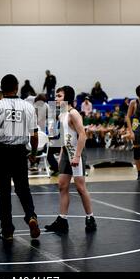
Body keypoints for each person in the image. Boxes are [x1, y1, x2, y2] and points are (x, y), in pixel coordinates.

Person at [0, 74, 41, 242]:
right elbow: (34, 136)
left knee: (3, 193)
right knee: (23, 189)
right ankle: (31, 216)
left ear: (1, 88)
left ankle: (7, 231)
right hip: (19, 152)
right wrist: (33, 154)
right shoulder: (27, 107)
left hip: (2, 153)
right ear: (17, 87)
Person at [44, 86, 97, 234]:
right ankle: (62, 220)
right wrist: (62, 153)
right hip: (67, 153)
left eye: (59, 96)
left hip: (76, 153)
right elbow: (65, 137)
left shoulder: (74, 114)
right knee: (62, 186)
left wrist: (77, 156)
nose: (56, 99)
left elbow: (82, 135)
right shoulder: (62, 115)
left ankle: (90, 218)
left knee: (80, 188)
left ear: (67, 98)